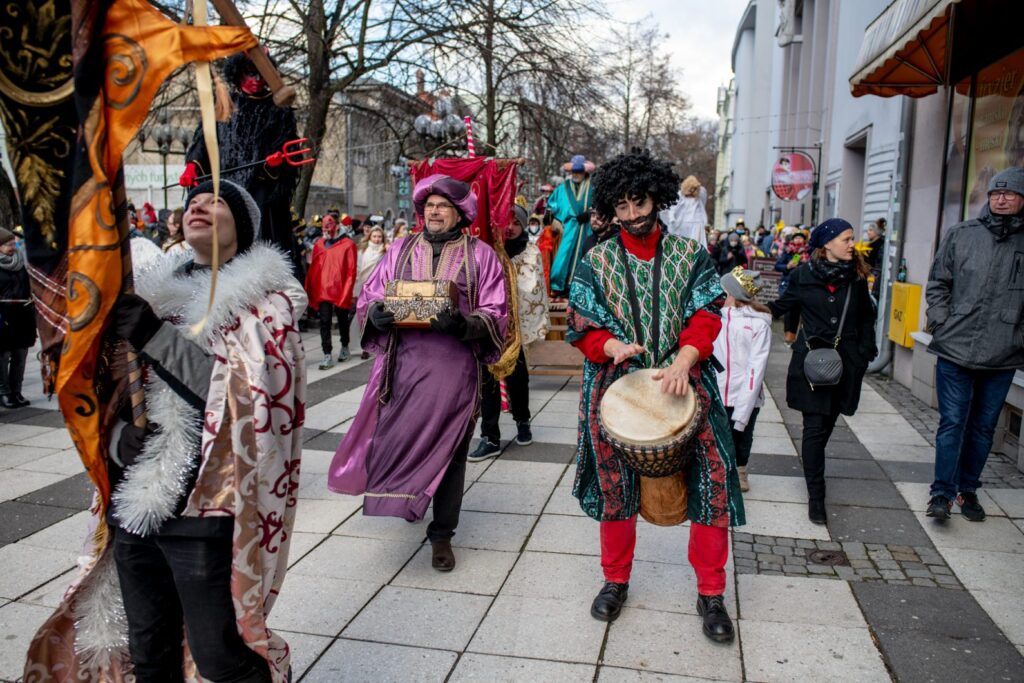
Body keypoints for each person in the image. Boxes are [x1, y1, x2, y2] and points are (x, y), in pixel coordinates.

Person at [107, 179, 306, 682]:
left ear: (241, 223)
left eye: (215, 200)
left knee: (219, 655)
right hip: (137, 493)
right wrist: (115, 440)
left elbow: (242, 398)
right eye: (192, 200)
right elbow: (102, 390)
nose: (197, 204)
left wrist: (153, 335)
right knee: (149, 651)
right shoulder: (149, 292)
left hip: (208, 499)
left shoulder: (267, 303)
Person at [566, 150, 744, 643]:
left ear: (656, 197)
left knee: (712, 486)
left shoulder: (691, 256)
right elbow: (579, 325)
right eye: (620, 207)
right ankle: (615, 579)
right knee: (614, 489)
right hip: (615, 388)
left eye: (638, 202)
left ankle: (711, 592)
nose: (631, 215)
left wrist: (686, 360)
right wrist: (612, 347)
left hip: (687, 380)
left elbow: (708, 314)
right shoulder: (596, 261)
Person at [327, 174, 507, 572]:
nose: (434, 211)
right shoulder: (400, 248)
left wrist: (464, 326)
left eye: (443, 205)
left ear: (460, 213)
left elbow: (497, 312)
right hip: (404, 367)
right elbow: (373, 292)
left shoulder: (482, 255)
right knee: (399, 441)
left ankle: (442, 534)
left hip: (455, 370)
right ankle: (406, 500)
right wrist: (375, 311)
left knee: (453, 452)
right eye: (429, 205)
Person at [925, 167, 1024, 521]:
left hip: (1003, 353)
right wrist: (941, 320)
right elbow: (938, 282)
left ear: (1022, 200)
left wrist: (1019, 338)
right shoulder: (962, 234)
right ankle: (941, 494)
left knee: (983, 428)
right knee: (952, 422)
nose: (1000, 198)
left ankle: (968, 490)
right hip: (955, 348)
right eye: (996, 192)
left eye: (1009, 193)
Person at [769, 218, 877, 524]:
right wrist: (745, 303)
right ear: (827, 243)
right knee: (814, 430)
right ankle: (817, 496)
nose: (851, 244)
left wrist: (865, 354)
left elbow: (867, 318)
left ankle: (813, 471)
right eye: (846, 238)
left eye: (852, 238)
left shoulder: (856, 276)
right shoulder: (803, 274)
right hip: (812, 364)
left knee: (828, 424)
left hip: (846, 364)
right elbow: (782, 306)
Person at [182, 52, 301, 273]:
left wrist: (272, 164)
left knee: (262, 240)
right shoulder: (223, 106)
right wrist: (192, 165)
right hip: (223, 189)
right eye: (250, 74)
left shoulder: (278, 112)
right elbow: (204, 141)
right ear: (238, 74)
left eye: (260, 74)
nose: (256, 80)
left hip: (260, 193)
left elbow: (288, 151)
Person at [470, 205, 549, 461]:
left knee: (517, 377)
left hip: (515, 328)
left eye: (516, 222)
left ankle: (522, 421)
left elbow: (533, 289)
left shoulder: (529, 252)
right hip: (491, 327)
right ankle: (489, 435)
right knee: (488, 380)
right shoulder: (488, 250)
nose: (511, 227)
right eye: (507, 221)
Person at [713, 268, 772, 492]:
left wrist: (743, 409)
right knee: (717, 433)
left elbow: (756, 368)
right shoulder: (716, 317)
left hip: (745, 393)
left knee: (742, 435)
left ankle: (740, 470)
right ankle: (717, 469)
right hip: (718, 388)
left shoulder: (758, 324)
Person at [305, 213, 358, 368]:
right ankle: (327, 353)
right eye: (324, 226)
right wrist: (311, 289)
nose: (326, 229)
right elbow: (314, 269)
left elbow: (351, 271)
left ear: (336, 225)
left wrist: (346, 293)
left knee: (342, 320)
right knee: (325, 321)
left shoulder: (348, 244)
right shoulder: (320, 244)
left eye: (329, 225)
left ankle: (345, 346)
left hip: (340, 290)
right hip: (323, 291)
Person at [548, 154, 596, 296]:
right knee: (563, 254)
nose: (576, 175)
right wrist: (551, 217)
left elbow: (600, 205)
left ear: (585, 172)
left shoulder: (593, 187)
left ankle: (581, 286)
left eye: (579, 172)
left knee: (585, 254)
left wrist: (589, 213)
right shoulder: (562, 188)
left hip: (587, 226)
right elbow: (552, 205)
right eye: (574, 172)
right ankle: (558, 285)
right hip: (569, 226)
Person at [0, 227, 35, 409]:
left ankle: (16, 391)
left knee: (20, 356)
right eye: (8, 244)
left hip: (22, 315)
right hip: (3, 317)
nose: (12, 247)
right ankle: (4, 393)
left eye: (13, 243)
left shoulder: (21, 263)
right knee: (3, 357)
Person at [356, 226, 389, 359]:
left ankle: (378, 342)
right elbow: (358, 270)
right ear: (369, 237)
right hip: (363, 287)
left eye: (379, 237)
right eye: (374, 236)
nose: (376, 239)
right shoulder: (362, 251)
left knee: (376, 315)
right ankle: (364, 344)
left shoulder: (386, 251)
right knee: (362, 316)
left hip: (379, 289)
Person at [775, 230, 808, 344]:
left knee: (803, 309)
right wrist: (787, 266)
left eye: (801, 238)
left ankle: (803, 337)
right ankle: (789, 335)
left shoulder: (808, 252)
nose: (798, 240)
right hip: (788, 284)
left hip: (804, 284)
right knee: (789, 309)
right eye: (796, 238)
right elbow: (777, 265)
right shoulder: (788, 251)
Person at [660, 174, 708, 246]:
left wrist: (695, 185)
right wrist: (672, 218)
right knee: (683, 243)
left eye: (693, 188)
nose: (691, 190)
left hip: (696, 223)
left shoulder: (699, 198)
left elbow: (703, 191)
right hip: (683, 223)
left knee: (696, 244)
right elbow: (673, 208)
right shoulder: (680, 196)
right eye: (690, 187)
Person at [864, 218, 885, 297]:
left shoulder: (880, 245)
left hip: (875, 279)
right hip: (871, 277)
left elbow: (877, 264)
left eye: (870, 230)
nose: (868, 232)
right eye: (868, 230)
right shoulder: (870, 245)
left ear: (877, 232)